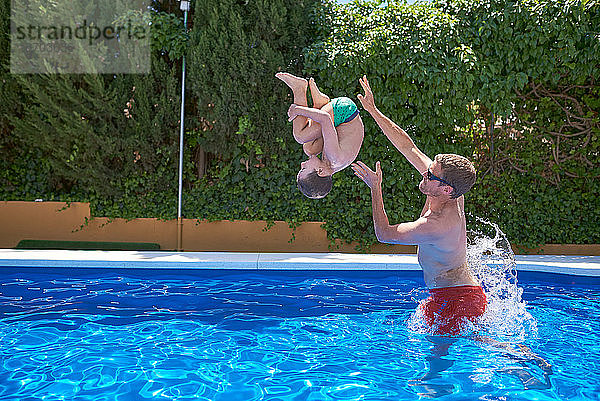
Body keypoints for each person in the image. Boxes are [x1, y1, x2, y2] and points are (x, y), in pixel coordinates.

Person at [351, 75, 483, 336]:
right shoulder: (446, 187)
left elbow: (384, 234)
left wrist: (375, 188)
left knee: (464, 350)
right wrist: (373, 111)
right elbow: (407, 146)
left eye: (431, 174)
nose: (425, 173)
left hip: (459, 299)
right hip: (451, 292)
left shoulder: (436, 225)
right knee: (439, 357)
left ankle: (523, 361)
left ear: (447, 189)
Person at [276, 72, 364, 199]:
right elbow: (325, 119)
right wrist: (297, 110)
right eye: (303, 169)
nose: (302, 165)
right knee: (300, 136)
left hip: (339, 123)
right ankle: (299, 88)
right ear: (320, 171)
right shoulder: (334, 157)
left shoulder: (329, 165)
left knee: (309, 149)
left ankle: (321, 103)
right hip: (345, 111)